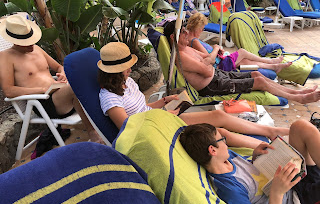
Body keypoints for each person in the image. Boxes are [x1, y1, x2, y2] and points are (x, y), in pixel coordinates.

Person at [97, 42, 289, 149]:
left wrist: (165, 101)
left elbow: (142, 108)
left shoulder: (127, 82)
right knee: (217, 133)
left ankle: (271, 132)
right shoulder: (109, 98)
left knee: (219, 116)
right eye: (125, 68)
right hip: (150, 130)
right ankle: (265, 147)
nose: (130, 69)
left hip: (158, 117)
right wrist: (163, 115)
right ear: (113, 72)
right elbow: (128, 127)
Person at [179, 120, 320, 204]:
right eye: (221, 139)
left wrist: (255, 159)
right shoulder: (230, 190)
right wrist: (277, 193)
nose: (226, 142)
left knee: (300, 127)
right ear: (213, 150)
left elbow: (251, 179)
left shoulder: (228, 158)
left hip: (294, 180)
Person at [0, 15, 103, 143]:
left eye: (32, 40)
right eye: (26, 43)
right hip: (44, 103)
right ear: (15, 41)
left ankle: (107, 120)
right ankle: (92, 132)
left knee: (85, 76)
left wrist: (63, 74)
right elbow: (9, 91)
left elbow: (59, 67)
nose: (31, 45)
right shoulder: (6, 57)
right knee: (74, 88)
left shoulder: (37, 49)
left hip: (59, 94)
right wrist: (41, 89)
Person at [163, 21, 320, 104]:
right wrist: (212, 54)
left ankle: (298, 92)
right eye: (183, 31)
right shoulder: (180, 57)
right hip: (212, 86)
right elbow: (205, 68)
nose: (187, 32)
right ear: (173, 37)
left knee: (257, 73)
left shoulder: (186, 49)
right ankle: (298, 98)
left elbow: (208, 59)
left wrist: (209, 58)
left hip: (219, 75)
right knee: (260, 81)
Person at [186, 13, 292, 73]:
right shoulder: (194, 41)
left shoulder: (192, 40)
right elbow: (210, 59)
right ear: (197, 27)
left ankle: (273, 66)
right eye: (202, 28)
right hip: (219, 65)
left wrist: (216, 48)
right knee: (242, 52)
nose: (202, 31)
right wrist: (216, 47)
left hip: (221, 62)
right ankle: (270, 62)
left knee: (244, 61)